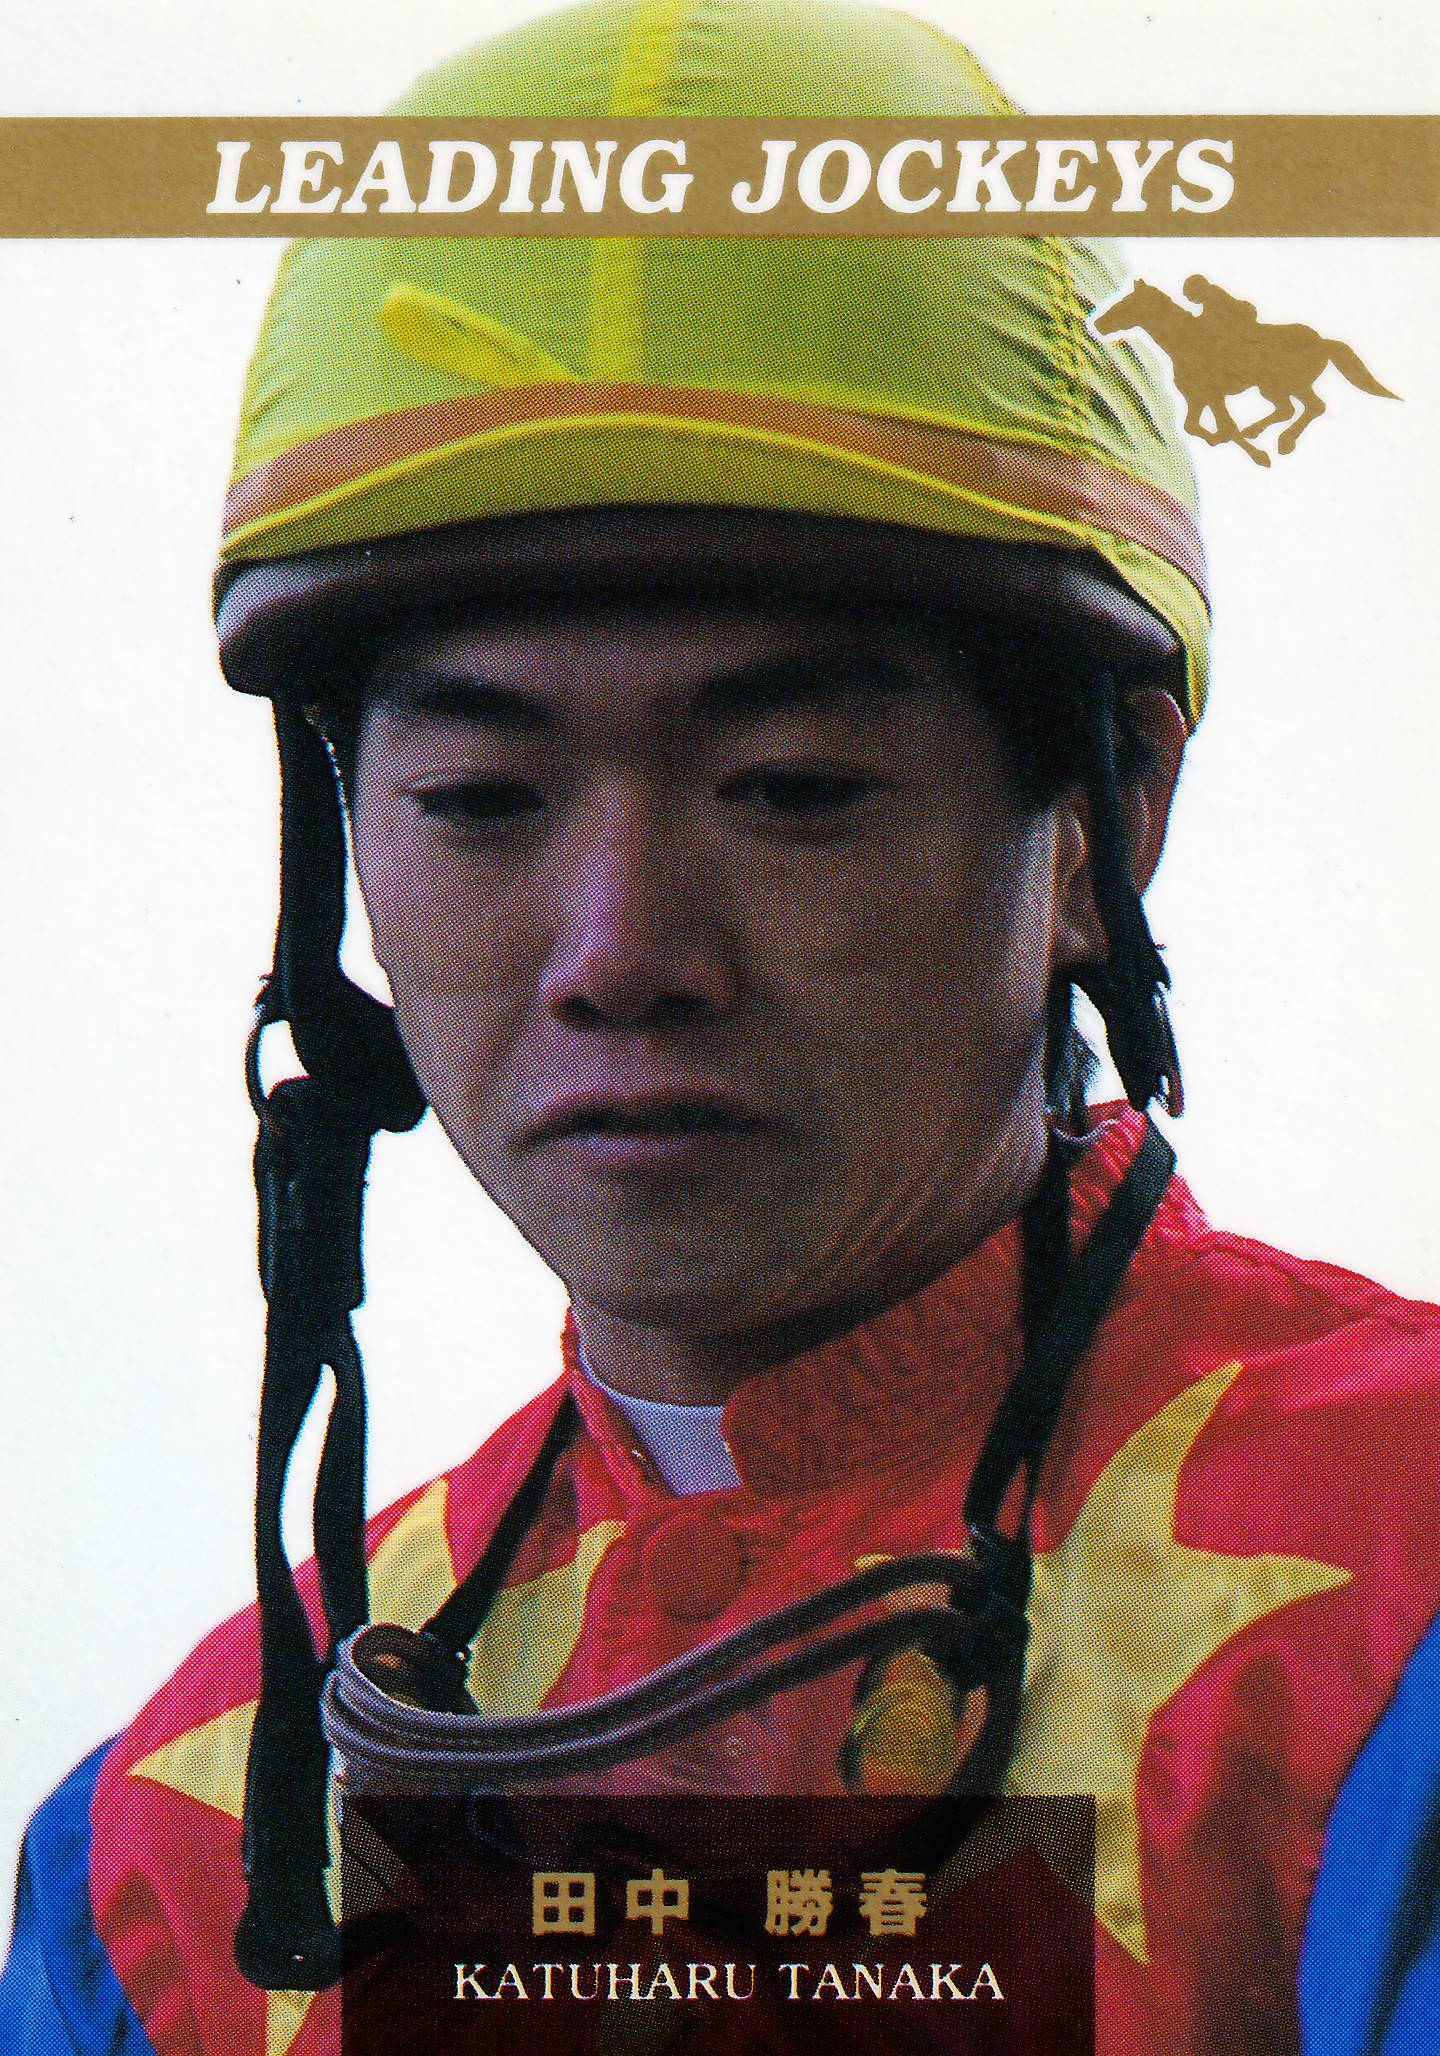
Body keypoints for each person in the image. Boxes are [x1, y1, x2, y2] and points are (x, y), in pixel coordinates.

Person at [3, 3, 1438, 2052]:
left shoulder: (1402, 1598)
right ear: (346, 858)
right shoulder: (177, 1844)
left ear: (1106, 818)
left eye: (791, 787)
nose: (622, 952)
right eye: (480, 798)